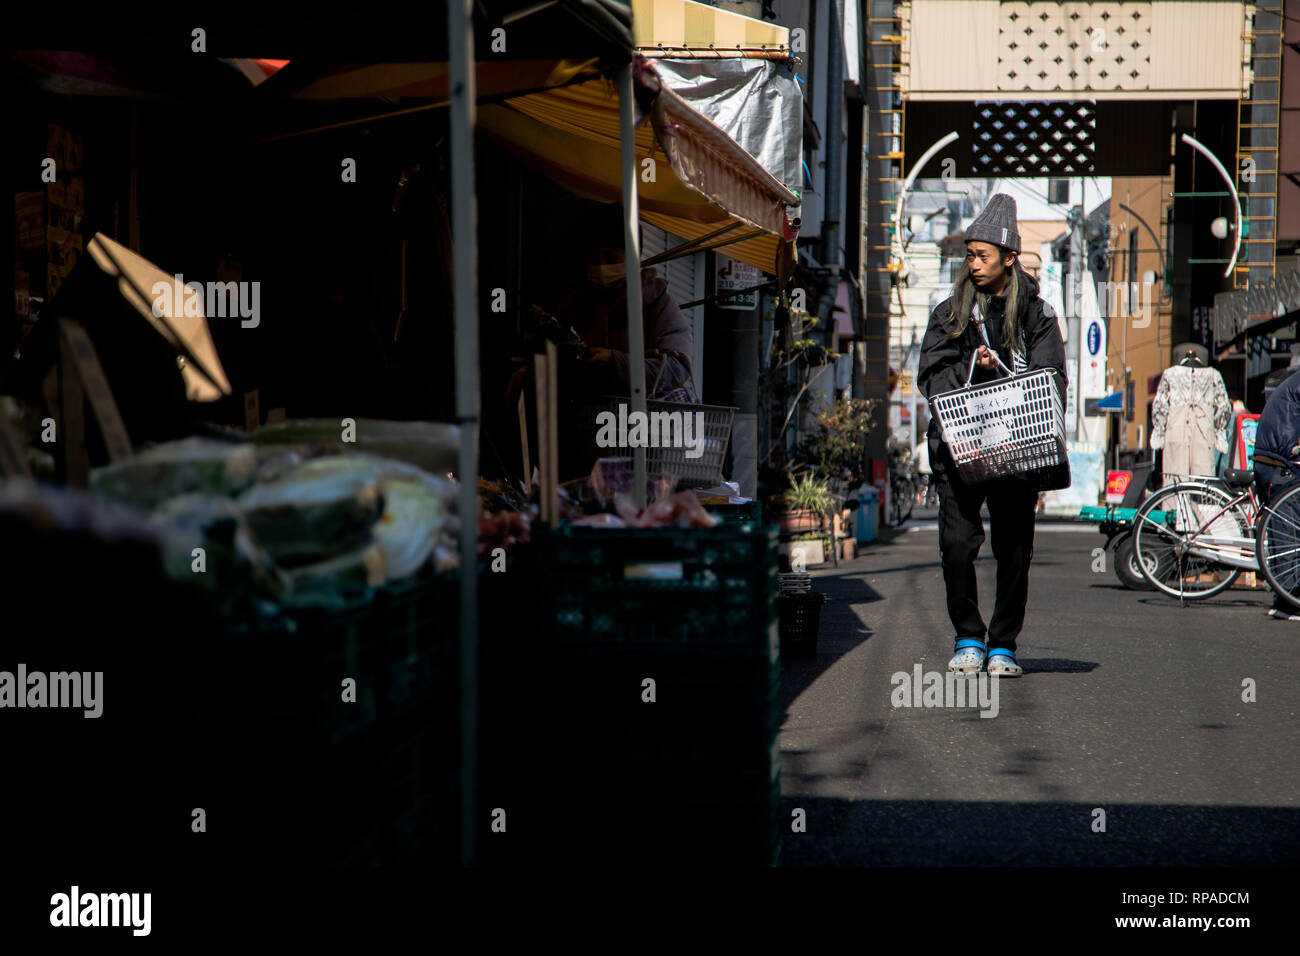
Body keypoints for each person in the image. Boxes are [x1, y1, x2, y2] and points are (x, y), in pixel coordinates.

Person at [916, 193, 1071, 678]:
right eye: (969, 256)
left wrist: (1003, 368)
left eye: (983, 256)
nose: (974, 265)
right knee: (957, 545)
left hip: (1017, 447)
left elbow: (1051, 377)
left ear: (1009, 258)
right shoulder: (949, 313)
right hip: (958, 448)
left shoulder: (1037, 315)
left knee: (1015, 548)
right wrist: (969, 364)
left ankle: (1002, 643)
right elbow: (930, 373)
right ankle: (967, 636)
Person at [1251, 367, 1300, 620]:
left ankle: (1286, 596)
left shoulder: (1292, 383)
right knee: (1288, 531)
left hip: (1273, 459)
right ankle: (1289, 598)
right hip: (1282, 461)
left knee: (1286, 531)